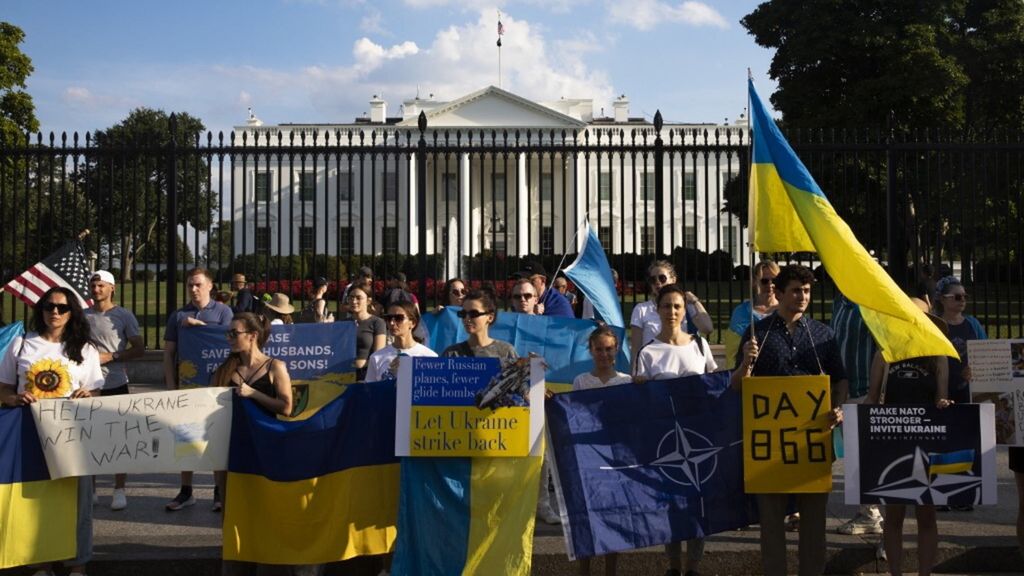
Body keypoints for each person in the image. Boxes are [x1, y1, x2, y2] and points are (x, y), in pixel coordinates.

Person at [731, 264, 846, 576]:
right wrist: (745, 362)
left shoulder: (823, 334)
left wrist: (838, 408)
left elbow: (839, 382)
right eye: (796, 290)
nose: (803, 296)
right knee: (771, 522)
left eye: (807, 291)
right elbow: (736, 385)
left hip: (813, 442)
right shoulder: (758, 334)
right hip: (770, 446)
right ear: (778, 293)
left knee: (813, 522)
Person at [0, 287, 105, 576]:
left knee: (78, 501)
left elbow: (95, 391)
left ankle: (78, 565)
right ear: (41, 310)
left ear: (72, 312)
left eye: (61, 307)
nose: (54, 312)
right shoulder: (22, 344)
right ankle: (40, 563)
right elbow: (4, 387)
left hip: (73, 435)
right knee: (37, 499)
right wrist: (13, 398)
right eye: (49, 307)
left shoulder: (86, 349)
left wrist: (89, 396)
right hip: (29, 433)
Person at [214, 314, 309, 576]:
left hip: (266, 451)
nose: (230, 338)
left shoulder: (274, 366)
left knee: (266, 511)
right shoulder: (225, 370)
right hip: (232, 451)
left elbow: (287, 406)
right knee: (233, 513)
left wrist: (252, 393)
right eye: (229, 334)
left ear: (252, 335)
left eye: (235, 333)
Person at [633, 284, 717, 576]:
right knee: (670, 505)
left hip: (698, 436)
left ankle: (693, 568)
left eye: (678, 306)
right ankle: (673, 567)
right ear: (657, 310)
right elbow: (638, 401)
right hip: (665, 440)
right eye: (667, 306)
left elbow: (714, 386)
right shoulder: (648, 352)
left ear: (685, 311)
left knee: (697, 506)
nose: (672, 312)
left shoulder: (700, 345)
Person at [865, 299, 952, 576]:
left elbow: (941, 397)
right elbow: (872, 398)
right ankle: (896, 573)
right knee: (894, 514)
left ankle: (925, 573)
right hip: (893, 441)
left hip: (926, 442)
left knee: (927, 513)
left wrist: (943, 404)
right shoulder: (886, 355)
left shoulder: (937, 356)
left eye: (919, 317)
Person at [163, 268, 234, 512]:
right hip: (188, 386)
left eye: (198, 285)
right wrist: (171, 386)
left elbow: (229, 344)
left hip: (216, 387)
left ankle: (218, 490)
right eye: (190, 285)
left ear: (210, 286)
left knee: (217, 437)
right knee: (187, 438)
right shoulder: (178, 315)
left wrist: (200, 326)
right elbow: (169, 353)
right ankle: (186, 490)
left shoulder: (224, 312)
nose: (194, 289)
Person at [84, 270, 145, 511]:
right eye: (93, 285)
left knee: (119, 438)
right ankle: (92, 489)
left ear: (112, 288)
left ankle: (119, 489)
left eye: (100, 285)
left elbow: (139, 348)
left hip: (116, 383)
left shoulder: (123, 315)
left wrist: (112, 356)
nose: (96, 289)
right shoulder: (81, 315)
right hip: (88, 385)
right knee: (89, 438)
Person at [573, 326, 632, 576]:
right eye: (599, 349)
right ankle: (583, 570)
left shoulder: (627, 381)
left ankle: (611, 571)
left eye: (609, 349)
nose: (604, 354)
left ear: (616, 350)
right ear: (591, 350)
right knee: (587, 516)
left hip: (616, 458)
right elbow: (572, 415)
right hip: (588, 456)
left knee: (613, 518)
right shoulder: (581, 381)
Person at [507, 277, 559, 525]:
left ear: (536, 299)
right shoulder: (503, 327)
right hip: (512, 400)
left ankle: (543, 505)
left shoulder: (550, 327)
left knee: (542, 455)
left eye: (527, 296)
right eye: (517, 296)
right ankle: (516, 506)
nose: (523, 300)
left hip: (541, 395)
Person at [832, 289, 883, 537]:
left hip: (865, 389)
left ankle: (870, 513)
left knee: (864, 456)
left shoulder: (871, 303)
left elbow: (883, 349)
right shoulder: (840, 302)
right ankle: (868, 510)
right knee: (854, 455)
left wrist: (875, 394)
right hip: (845, 388)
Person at [630, 260, 713, 365]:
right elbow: (636, 349)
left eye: (662, 278)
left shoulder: (686, 305)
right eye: (652, 279)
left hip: (684, 364)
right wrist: (635, 372)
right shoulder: (641, 309)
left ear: (673, 280)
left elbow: (707, 328)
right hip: (653, 368)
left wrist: (695, 301)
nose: (657, 282)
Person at [934, 276, 986, 405]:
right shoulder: (935, 325)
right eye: (957, 297)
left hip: (969, 389)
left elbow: (985, 353)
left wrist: (976, 370)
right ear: (942, 299)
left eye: (965, 296)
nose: (962, 300)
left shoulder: (973, 324)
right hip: (941, 388)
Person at [725, 260, 780, 367]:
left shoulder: (786, 311)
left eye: (774, 280)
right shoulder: (740, 312)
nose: (770, 284)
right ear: (755, 281)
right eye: (764, 281)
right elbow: (733, 352)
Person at [365, 301, 437, 382]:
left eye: (399, 318)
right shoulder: (376, 357)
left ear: (412, 323)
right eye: (388, 318)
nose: (392, 323)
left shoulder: (430, 357)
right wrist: (389, 374)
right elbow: (370, 391)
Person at [440, 289, 516, 364]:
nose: (467, 318)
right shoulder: (451, 354)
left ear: (490, 317)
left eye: (473, 314)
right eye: (463, 314)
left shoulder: (506, 352)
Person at [346, 285, 386, 381]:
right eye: (351, 297)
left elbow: (379, 355)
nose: (354, 301)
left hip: (366, 375)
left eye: (358, 298)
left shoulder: (377, 322)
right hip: (343, 375)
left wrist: (361, 364)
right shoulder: (343, 324)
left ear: (368, 301)